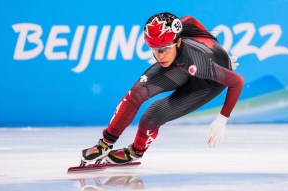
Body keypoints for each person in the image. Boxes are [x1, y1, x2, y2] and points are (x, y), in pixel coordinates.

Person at [81, 12, 244, 165]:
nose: (160, 56)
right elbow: (190, 19)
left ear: (178, 42)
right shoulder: (177, 32)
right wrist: (216, 47)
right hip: (181, 64)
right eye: (154, 50)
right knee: (136, 93)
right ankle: (104, 145)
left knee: (152, 115)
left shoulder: (199, 63)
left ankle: (136, 151)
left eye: (164, 49)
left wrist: (221, 120)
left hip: (207, 82)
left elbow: (237, 81)